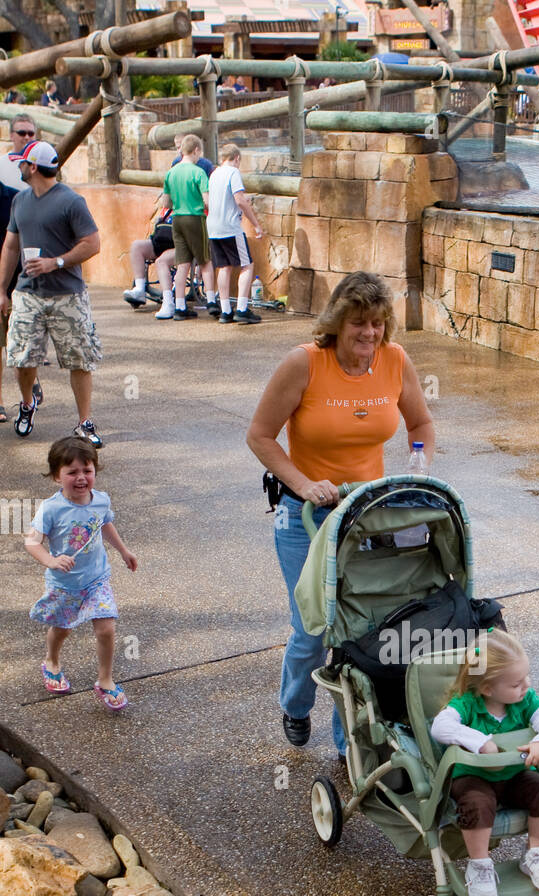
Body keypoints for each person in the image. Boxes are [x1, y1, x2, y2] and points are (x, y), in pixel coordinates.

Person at [246, 270, 434, 752]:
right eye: (358, 323)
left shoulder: (395, 361)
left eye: (376, 323)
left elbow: (420, 423)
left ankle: (347, 740)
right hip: (304, 515)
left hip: (366, 514)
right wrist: (305, 484)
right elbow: (260, 435)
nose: (368, 334)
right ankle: (295, 703)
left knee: (361, 628)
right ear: (337, 323)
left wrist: (416, 468)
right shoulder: (304, 364)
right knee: (315, 626)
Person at [430, 631, 539, 896]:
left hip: (514, 774)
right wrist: (480, 742)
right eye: (517, 683)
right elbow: (440, 726)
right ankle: (480, 865)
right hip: (473, 776)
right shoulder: (467, 704)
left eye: (527, 677)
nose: (526, 685)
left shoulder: (525, 701)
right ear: (488, 689)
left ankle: (536, 854)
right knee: (477, 803)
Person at [0, 140, 102, 446]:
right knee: (22, 358)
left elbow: (93, 243)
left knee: (79, 360)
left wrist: (55, 262)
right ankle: (28, 404)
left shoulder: (71, 201)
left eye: (21, 162)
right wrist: (2, 290)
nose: (17, 166)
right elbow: (10, 245)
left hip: (67, 295)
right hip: (27, 293)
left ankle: (84, 422)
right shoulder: (20, 201)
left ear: (32, 167)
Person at [24, 435, 137, 711]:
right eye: (72, 472)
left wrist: (124, 551)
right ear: (56, 476)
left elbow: (105, 525)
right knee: (61, 629)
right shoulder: (51, 508)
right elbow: (31, 542)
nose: (81, 478)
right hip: (64, 584)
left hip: (96, 578)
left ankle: (106, 680)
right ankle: (51, 660)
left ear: (95, 471)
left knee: (106, 627)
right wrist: (51, 560)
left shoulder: (100, 500)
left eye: (87, 470)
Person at [0, 116, 45, 424]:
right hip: (4, 255)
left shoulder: (40, 166)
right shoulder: (3, 166)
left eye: (31, 132)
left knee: (29, 329)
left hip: (30, 261)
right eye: (21, 132)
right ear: (11, 134)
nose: (26, 136)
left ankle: (30, 381)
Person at [206, 143, 264, 324]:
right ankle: (242, 308)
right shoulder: (233, 173)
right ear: (236, 158)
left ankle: (225, 311)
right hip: (231, 227)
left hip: (213, 228)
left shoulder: (214, 174)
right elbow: (239, 199)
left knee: (224, 267)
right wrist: (255, 224)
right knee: (247, 265)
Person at [160, 133, 217, 319]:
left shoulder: (171, 172)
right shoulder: (198, 172)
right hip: (195, 216)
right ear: (196, 150)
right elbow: (207, 201)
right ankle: (211, 301)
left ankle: (180, 306)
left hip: (177, 219)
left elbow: (166, 203)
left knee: (182, 263)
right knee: (205, 260)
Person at [122, 203, 176, 317]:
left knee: (161, 261)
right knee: (137, 246)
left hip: (178, 245)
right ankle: (139, 289)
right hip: (160, 241)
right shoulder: (168, 206)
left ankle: (168, 302)